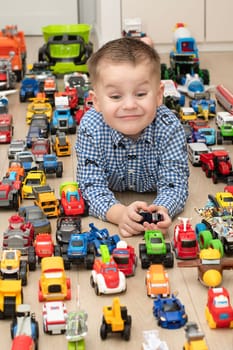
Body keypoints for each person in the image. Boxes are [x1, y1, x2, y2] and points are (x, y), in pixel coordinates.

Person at [76, 37, 189, 237]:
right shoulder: (90, 127)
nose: (129, 105)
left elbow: (175, 182)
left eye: (140, 94)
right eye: (116, 96)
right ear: (97, 101)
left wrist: (161, 210)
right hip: (111, 197)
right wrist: (118, 214)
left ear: (158, 95)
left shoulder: (169, 127)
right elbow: (90, 184)